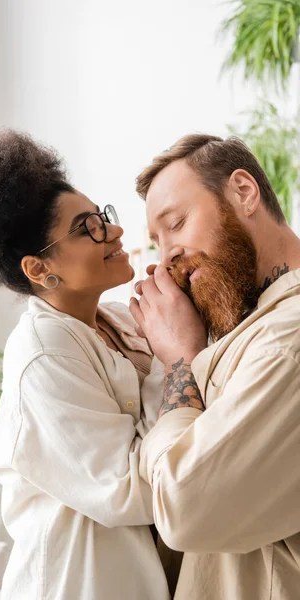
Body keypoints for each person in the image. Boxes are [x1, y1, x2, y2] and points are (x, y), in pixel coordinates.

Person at [0, 130, 170, 600]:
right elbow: (131, 491)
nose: (113, 231)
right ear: (38, 269)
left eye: (103, 217)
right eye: (87, 227)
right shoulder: (43, 355)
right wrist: (174, 359)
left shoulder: (119, 321)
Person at [130, 133, 300, 600]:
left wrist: (181, 360)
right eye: (157, 244)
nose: (167, 257)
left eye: (177, 222)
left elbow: (184, 511)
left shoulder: (290, 338)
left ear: (244, 193)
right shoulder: (250, 328)